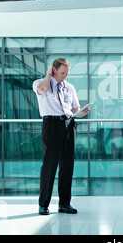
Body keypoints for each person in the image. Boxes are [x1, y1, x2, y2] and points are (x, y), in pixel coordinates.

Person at [33, 58, 90, 215]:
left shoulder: (69, 87)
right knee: (49, 166)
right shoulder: (41, 82)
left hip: (69, 124)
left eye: (67, 73)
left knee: (67, 166)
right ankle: (43, 204)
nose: (65, 76)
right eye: (62, 72)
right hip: (51, 125)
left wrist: (81, 112)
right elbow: (42, 91)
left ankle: (64, 204)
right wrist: (47, 76)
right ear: (54, 70)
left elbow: (74, 108)